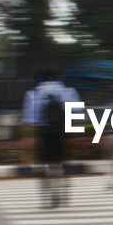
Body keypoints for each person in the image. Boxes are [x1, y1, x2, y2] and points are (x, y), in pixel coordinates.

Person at [26, 70, 80, 208]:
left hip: (44, 134)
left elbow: (31, 120)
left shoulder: (35, 93)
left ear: (45, 78)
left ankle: (48, 196)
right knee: (60, 165)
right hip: (61, 134)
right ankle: (63, 188)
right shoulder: (68, 91)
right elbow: (77, 112)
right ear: (58, 77)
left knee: (44, 166)